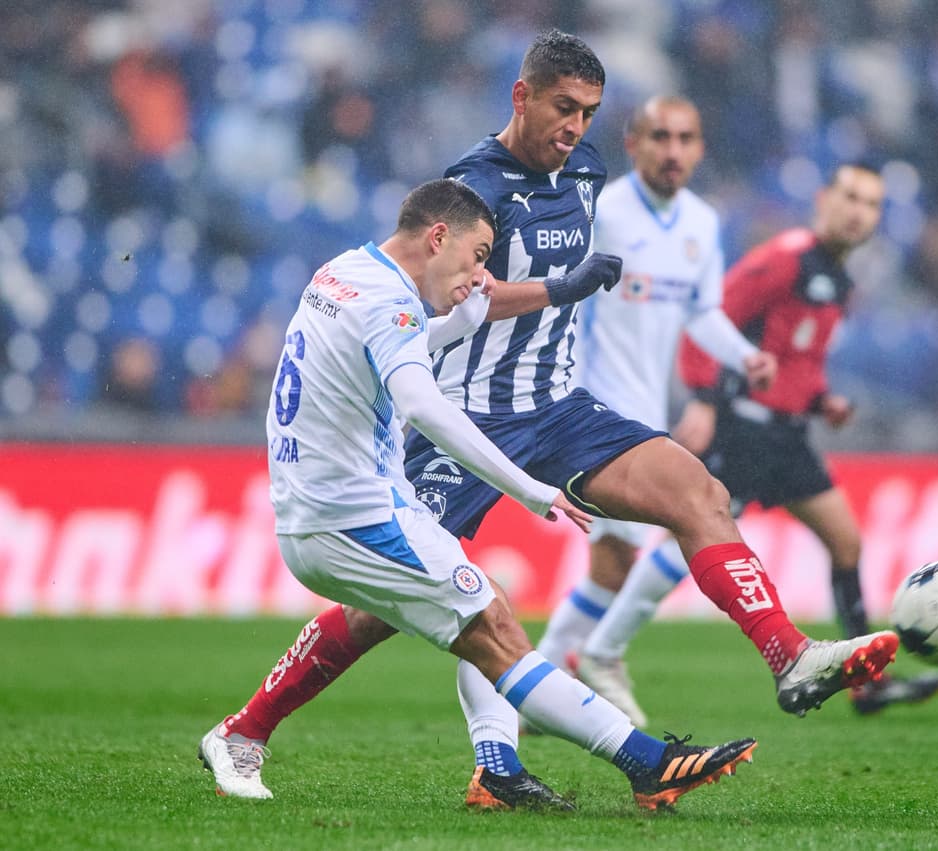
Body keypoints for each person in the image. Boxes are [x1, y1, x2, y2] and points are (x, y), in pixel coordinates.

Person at [203, 31, 897, 809]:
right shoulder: (472, 188)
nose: (574, 127)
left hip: (560, 404)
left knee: (697, 493)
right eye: (563, 107)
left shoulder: (591, 169)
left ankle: (789, 655)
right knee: (391, 611)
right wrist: (565, 287)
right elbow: (465, 292)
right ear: (522, 97)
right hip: (467, 413)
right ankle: (263, 726)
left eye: (588, 113)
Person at [198, 177, 758, 811]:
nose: (478, 276)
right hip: (353, 517)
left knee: (486, 608)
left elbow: (389, 345)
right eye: (479, 255)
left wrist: (459, 323)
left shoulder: (345, 273)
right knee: (491, 625)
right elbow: (424, 405)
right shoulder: (393, 305)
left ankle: (484, 769)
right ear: (438, 237)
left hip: (324, 508)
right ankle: (647, 763)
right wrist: (531, 490)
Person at [575, 163, 938, 723]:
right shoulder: (786, 259)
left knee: (846, 543)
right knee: (688, 541)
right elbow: (709, 318)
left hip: (790, 438)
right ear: (823, 199)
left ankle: (869, 687)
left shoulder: (839, 277)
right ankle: (601, 650)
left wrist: (822, 402)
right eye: (848, 196)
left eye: (869, 204)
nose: (856, 210)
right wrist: (701, 396)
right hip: (745, 429)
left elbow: (796, 359)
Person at [531, 94, 777, 728]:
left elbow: (703, 312)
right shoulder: (602, 213)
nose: (673, 151)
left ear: (699, 148)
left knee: (615, 562)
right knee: (684, 519)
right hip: (590, 412)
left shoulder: (700, 222)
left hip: (645, 412)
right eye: (660, 137)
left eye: (686, 138)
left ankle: (542, 681)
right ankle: (585, 662)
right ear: (633, 144)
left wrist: (744, 356)